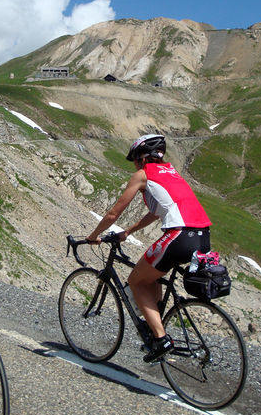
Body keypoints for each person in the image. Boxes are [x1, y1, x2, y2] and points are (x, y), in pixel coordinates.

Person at [86, 134, 212, 362]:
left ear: (142, 158)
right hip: (203, 236)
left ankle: (162, 339)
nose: (134, 165)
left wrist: (93, 236)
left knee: (135, 281)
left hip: (180, 235)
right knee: (150, 277)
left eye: (134, 160)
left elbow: (115, 212)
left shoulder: (143, 175)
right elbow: (156, 211)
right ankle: (157, 329)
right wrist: (128, 232)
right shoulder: (172, 173)